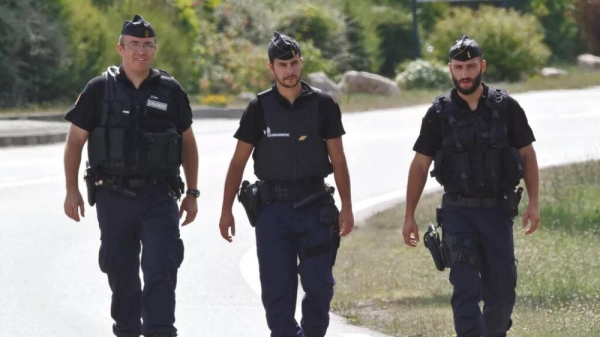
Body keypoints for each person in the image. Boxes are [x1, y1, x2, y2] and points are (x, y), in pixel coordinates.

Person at [62, 15, 199, 337]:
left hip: (159, 196)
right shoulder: (98, 90)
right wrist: (71, 190)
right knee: (120, 270)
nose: (142, 51)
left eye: (148, 45)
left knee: (161, 267)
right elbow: (74, 142)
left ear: (155, 49)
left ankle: (161, 331)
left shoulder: (170, 90)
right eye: (134, 45)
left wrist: (192, 193)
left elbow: (188, 144)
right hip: (113, 196)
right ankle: (126, 330)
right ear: (120, 48)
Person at [402, 35, 540, 337]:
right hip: (458, 214)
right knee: (465, 291)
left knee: (502, 292)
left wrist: (534, 202)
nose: (465, 73)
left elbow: (527, 154)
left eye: (471, 66)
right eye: (459, 67)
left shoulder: (507, 108)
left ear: (483, 66)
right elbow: (420, 165)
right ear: (450, 68)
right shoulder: (438, 113)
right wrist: (409, 215)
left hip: (497, 212)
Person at [218, 31, 354, 337]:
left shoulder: (323, 105)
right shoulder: (259, 108)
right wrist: (226, 210)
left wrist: (346, 206)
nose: (289, 70)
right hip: (272, 212)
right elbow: (238, 163)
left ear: (301, 63)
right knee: (277, 295)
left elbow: (340, 160)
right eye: (282, 65)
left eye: (294, 63)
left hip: (316, 208)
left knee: (320, 289)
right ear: (271, 68)